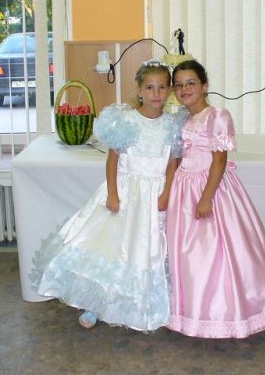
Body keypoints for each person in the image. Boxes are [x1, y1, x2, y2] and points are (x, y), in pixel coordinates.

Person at [30, 61, 183, 331]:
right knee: (110, 248)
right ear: (139, 90)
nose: (156, 93)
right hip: (125, 194)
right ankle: (96, 305)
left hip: (154, 197)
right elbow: (113, 160)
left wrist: (166, 193)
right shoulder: (125, 121)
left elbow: (173, 163)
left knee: (145, 253)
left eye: (162, 87)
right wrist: (113, 193)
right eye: (150, 88)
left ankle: (136, 305)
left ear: (169, 90)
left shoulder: (172, 125)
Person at [166, 59, 265, 338]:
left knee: (218, 252)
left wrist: (206, 198)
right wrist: (169, 190)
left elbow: (219, 160)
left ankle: (230, 314)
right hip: (183, 190)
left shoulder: (217, 116)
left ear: (205, 85)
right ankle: (192, 314)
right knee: (188, 256)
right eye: (179, 85)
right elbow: (176, 157)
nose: (184, 89)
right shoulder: (181, 119)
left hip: (211, 188)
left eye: (191, 83)